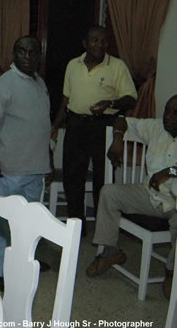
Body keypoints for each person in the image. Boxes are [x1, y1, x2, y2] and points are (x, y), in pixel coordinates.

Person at [0, 36, 52, 292]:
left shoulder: (40, 83)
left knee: (29, 222)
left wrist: (47, 164)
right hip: (8, 169)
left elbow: (42, 126)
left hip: (35, 169)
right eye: (22, 51)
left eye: (32, 52)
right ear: (14, 53)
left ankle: (23, 263)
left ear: (38, 55)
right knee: (2, 223)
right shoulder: (5, 83)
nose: (27, 57)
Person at [86, 95, 177, 299]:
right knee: (109, 193)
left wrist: (171, 171)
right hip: (149, 195)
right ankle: (110, 253)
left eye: (175, 113)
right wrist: (118, 137)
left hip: (175, 204)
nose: (169, 117)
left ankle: (172, 273)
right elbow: (121, 120)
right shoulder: (156, 128)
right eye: (167, 111)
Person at [51, 25, 137, 233]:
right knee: (73, 178)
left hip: (103, 127)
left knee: (103, 179)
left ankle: (103, 229)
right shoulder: (73, 65)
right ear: (85, 43)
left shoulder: (117, 66)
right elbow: (66, 98)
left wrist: (110, 103)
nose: (99, 44)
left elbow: (130, 99)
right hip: (75, 125)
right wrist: (55, 125)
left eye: (103, 41)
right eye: (94, 40)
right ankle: (76, 227)